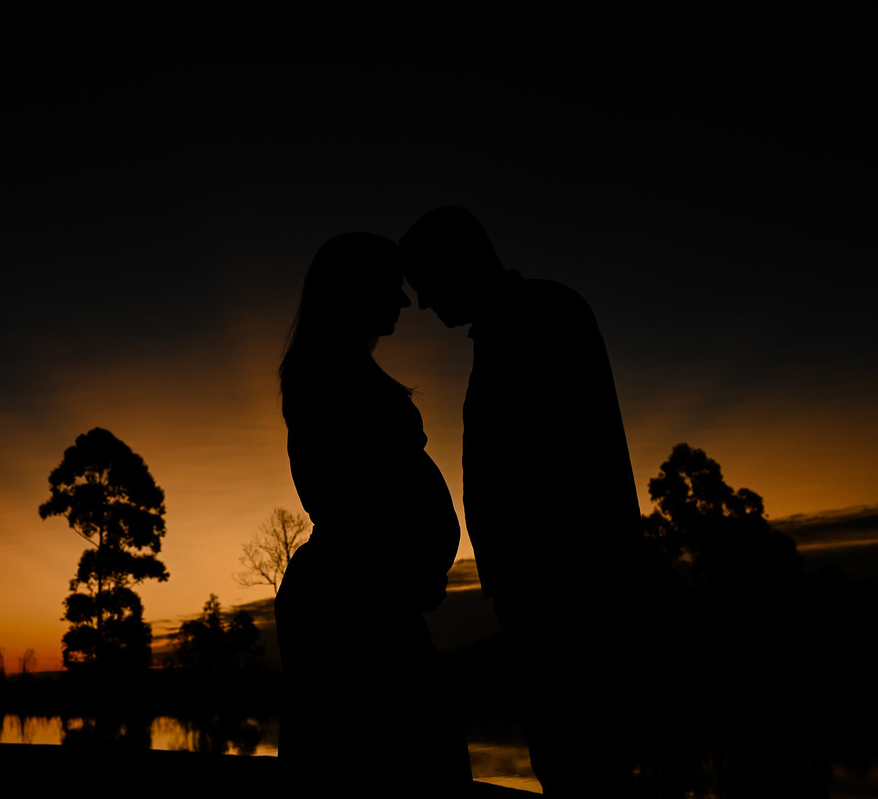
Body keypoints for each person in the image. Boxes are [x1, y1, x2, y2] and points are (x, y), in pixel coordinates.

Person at [400, 206, 653, 797]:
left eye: (426, 283)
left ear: (457, 264)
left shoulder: (543, 316)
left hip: (570, 583)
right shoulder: (514, 324)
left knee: (582, 753)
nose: (423, 303)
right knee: (565, 752)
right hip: (542, 584)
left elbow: (576, 458)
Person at [274, 232, 471, 792]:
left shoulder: (338, 371)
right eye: (391, 286)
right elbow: (358, 499)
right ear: (353, 291)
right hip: (353, 607)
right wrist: (405, 568)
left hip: (369, 597)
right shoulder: (327, 376)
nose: (406, 300)